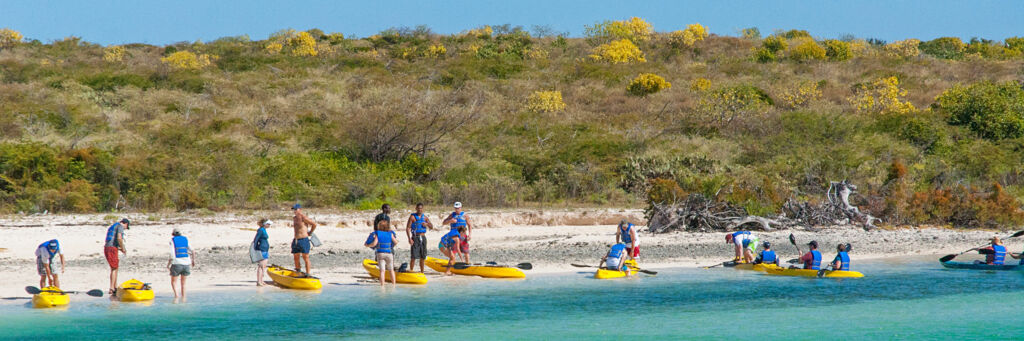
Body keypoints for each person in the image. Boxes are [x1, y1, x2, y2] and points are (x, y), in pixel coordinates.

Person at [366, 220, 399, 286]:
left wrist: (368, 245)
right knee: (391, 270)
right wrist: (391, 246)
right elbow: (396, 242)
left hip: (380, 253)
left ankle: (382, 285)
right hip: (389, 253)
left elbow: (374, 243)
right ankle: (394, 285)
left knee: (382, 271)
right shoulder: (390, 233)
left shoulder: (377, 233)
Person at [103, 218, 130, 296]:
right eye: (126, 227)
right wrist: (123, 248)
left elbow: (111, 241)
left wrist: (119, 248)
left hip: (108, 248)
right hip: (112, 249)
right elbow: (119, 238)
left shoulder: (113, 226)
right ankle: (112, 288)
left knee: (115, 267)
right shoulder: (120, 227)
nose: (125, 229)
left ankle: (115, 286)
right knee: (114, 268)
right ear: (125, 224)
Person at [167, 228, 196, 299]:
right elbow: (193, 251)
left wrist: (168, 264)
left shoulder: (172, 240)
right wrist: (193, 261)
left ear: (173, 234)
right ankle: (183, 298)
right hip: (186, 263)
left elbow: (172, 254)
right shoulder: (185, 239)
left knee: (173, 282)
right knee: (183, 283)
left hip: (177, 263)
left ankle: (176, 296)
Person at [405, 203, 434, 273]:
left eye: (421, 208)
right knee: (413, 256)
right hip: (415, 237)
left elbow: (431, 226)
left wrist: (426, 224)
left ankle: (422, 271)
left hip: (423, 237)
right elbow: (408, 228)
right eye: (418, 208)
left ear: (422, 209)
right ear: (416, 208)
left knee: (422, 256)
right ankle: (411, 270)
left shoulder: (425, 217)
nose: (420, 209)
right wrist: (409, 238)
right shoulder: (412, 217)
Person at [291, 203, 317, 274]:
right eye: (294, 210)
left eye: (296, 209)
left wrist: (310, 232)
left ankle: (308, 273)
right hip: (296, 240)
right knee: (296, 257)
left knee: (305, 257)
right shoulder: (294, 218)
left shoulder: (303, 217)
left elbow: (314, 224)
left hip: (303, 239)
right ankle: (298, 271)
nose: (295, 211)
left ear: (300, 209)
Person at [254, 219, 271, 286]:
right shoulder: (261, 230)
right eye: (268, 224)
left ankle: (261, 280)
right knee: (261, 266)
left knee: (264, 266)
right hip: (262, 249)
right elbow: (256, 239)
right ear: (264, 224)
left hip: (265, 249)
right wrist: (255, 249)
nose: (269, 225)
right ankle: (259, 281)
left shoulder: (264, 230)